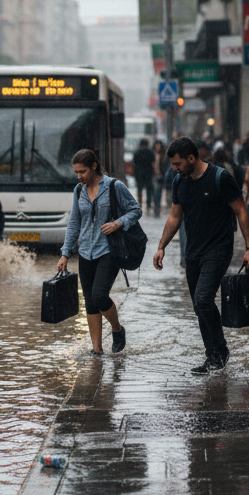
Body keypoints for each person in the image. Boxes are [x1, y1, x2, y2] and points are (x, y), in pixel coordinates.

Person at [153, 136, 249, 373]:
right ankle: (213, 356)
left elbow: (241, 211)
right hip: (193, 252)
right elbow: (174, 216)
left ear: (192, 158)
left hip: (218, 249)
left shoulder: (221, 178)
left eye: (178, 164)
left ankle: (220, 351)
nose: (174, 169)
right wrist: (161, 247)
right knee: (199, 306)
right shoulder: (180, 182)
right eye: (172, 165)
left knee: (203, 299)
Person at [57, 149, 142, 356]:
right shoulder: (79, 190)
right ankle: (97, 349)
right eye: (76, 172)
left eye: (83, 171)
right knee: (90, 301)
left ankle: (117, 329)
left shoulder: (114, 186)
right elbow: (74, 223)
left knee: (100, 295)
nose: (79, 176)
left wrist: (118, 223)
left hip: (109, 250)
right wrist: (65, 253)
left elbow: (136, 210)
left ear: (94, 166)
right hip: (85, 251)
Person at [131, 138, 156, 212]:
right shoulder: (150, 152)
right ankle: (148, 206)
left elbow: (134, 164)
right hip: (149, 174)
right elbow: (153, 164)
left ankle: (140, 204)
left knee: (139, 190)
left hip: (139, 174)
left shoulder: (137, 153)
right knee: (149, 191)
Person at [151, 139, 167, 217]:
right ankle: (155, 207)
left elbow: (165, 167)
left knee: (158, 193)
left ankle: (157, 208)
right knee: (154, 193)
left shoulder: (163, 156)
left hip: (160, 176)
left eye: (159, 146)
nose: (158, 147)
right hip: (153, 175)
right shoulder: (152, 154)